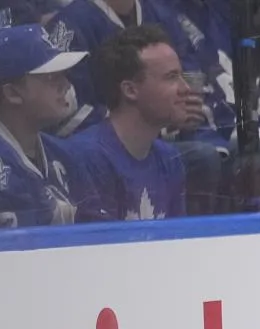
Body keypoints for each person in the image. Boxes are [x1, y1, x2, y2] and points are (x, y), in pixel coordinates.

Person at [67, 25, 187, 220]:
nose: (185, 88)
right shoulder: (86, 158)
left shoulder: (169, 159)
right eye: (171, 78)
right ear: (130, 90)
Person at [0, 23, 96, 228]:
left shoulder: (64, 154)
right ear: (12, 93)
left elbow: (98, 228)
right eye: (51, 77)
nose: (67, 84)